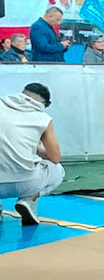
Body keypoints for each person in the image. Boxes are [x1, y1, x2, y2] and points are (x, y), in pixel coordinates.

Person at [0, 83, 65, 225]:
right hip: (25, 182)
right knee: (58, 170)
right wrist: (33, 146)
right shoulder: (44, 119)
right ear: (44, 103)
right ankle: (30, 199)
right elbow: (55, 157)